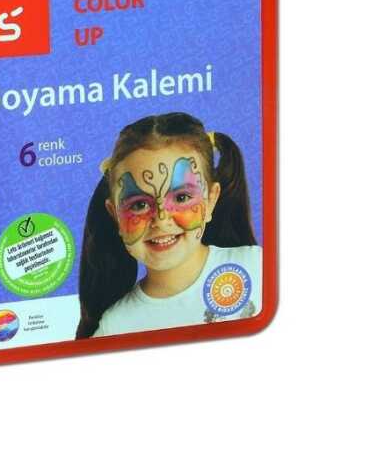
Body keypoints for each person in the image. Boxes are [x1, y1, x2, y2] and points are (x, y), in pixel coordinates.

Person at [76, 112, 261, 339]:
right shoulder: (115, 327)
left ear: (210, 201)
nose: (161, 219)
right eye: (139, 205)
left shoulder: (258, 266)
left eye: (182, 198)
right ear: (115, 215)